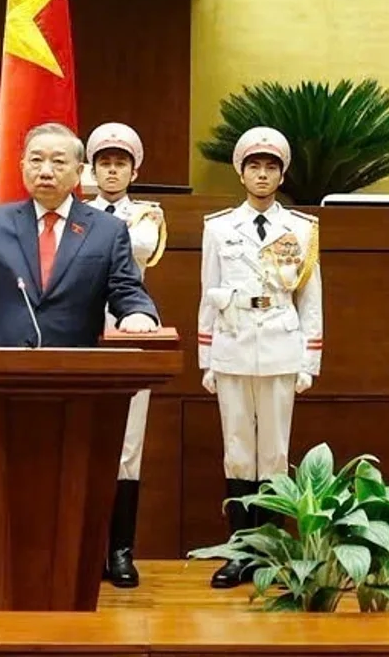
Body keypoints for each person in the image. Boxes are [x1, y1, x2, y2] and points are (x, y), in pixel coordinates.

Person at [198, 127, 322, 588]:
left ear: (282, 175)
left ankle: (271, 553)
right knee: (236, 452)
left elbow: (310, 298)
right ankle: (239, 552)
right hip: (232, 342)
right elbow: (208, 292)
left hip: (279, 344)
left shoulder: (301, 229)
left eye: (271, 167)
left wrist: (309, 360)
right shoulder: (218, 227)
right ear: (241, 173)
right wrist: (206, 357)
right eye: (255, 166)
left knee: (273, 453)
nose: (263, 174)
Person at [0, 119, 159, 346]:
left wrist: (138, 312)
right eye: (36, 160)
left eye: (58, 162)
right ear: (22, 167)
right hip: (0, 366)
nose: (45, 171)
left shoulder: (107, 230)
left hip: (72, 368)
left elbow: (126, 288)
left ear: (79, 173)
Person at [83, 122, 168, 589]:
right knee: (83, 444)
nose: (112, 171)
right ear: (91, 169)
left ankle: (119, 551)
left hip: (129, 330)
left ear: (135, 171)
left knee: (127, 448)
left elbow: (140, 249)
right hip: (80, 332)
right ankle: (84, 547)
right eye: (104, 163)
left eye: (121, 164)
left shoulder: (146, 216)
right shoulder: (74, 212)